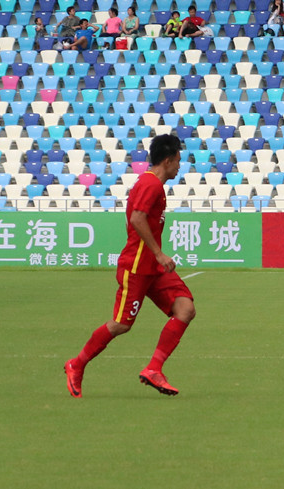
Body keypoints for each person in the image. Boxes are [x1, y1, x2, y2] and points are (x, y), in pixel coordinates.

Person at [64, 135, 195, 398]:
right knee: (121, 325)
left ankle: (154, 368)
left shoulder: (152, 183)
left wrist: (156, 259)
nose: (180, 167)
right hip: (137, 267)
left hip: (153, 269)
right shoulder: (151, 185)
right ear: (167, 161)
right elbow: (137, 218)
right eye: (178, 161)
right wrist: (158, 254)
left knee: (185, 308)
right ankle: (76, 364)